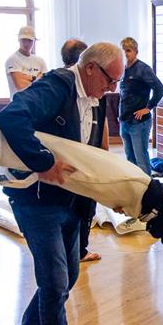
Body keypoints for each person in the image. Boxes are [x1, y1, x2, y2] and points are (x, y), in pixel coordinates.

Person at [0, 42, 124, 325]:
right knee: (53, 283)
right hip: (37, 201)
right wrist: (44, 162)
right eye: (110, 80)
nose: (112, 89)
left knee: (66, 278)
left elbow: (91, 152)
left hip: (71, 201)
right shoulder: (56, 86)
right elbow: (10, 117)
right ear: (91, 68)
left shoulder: (95, 97)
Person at [60, 38, 106, 264]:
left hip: (84, 158)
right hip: (73, 161)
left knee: (81, 206)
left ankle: (76, 250)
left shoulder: (96, 87)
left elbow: (99, 121)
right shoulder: (62, 85)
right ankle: (76, 250)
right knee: (79, 207)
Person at [118, 37, 163, 175]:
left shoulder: (143, 69)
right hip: (124, 121)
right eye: (123, 51)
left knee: (141, 160)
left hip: (139, 123)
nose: (125, 54)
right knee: (130, 159)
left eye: (128, 50)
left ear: (136, 52)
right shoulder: (122, 69)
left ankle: (148, 192)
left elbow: (160, 89)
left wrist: (148, 107)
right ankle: (135, 189)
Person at [5, 25, 47, 97]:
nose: (26, 44)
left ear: (34, 41)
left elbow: (45, 85)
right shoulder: (13, 59)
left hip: (37, 103)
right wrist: (36, 77)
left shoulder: (40, 61)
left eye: (29, 40)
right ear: (18, 40)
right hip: (19, 104)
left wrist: (26, 78)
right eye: (23, 40)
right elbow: (21, 86)